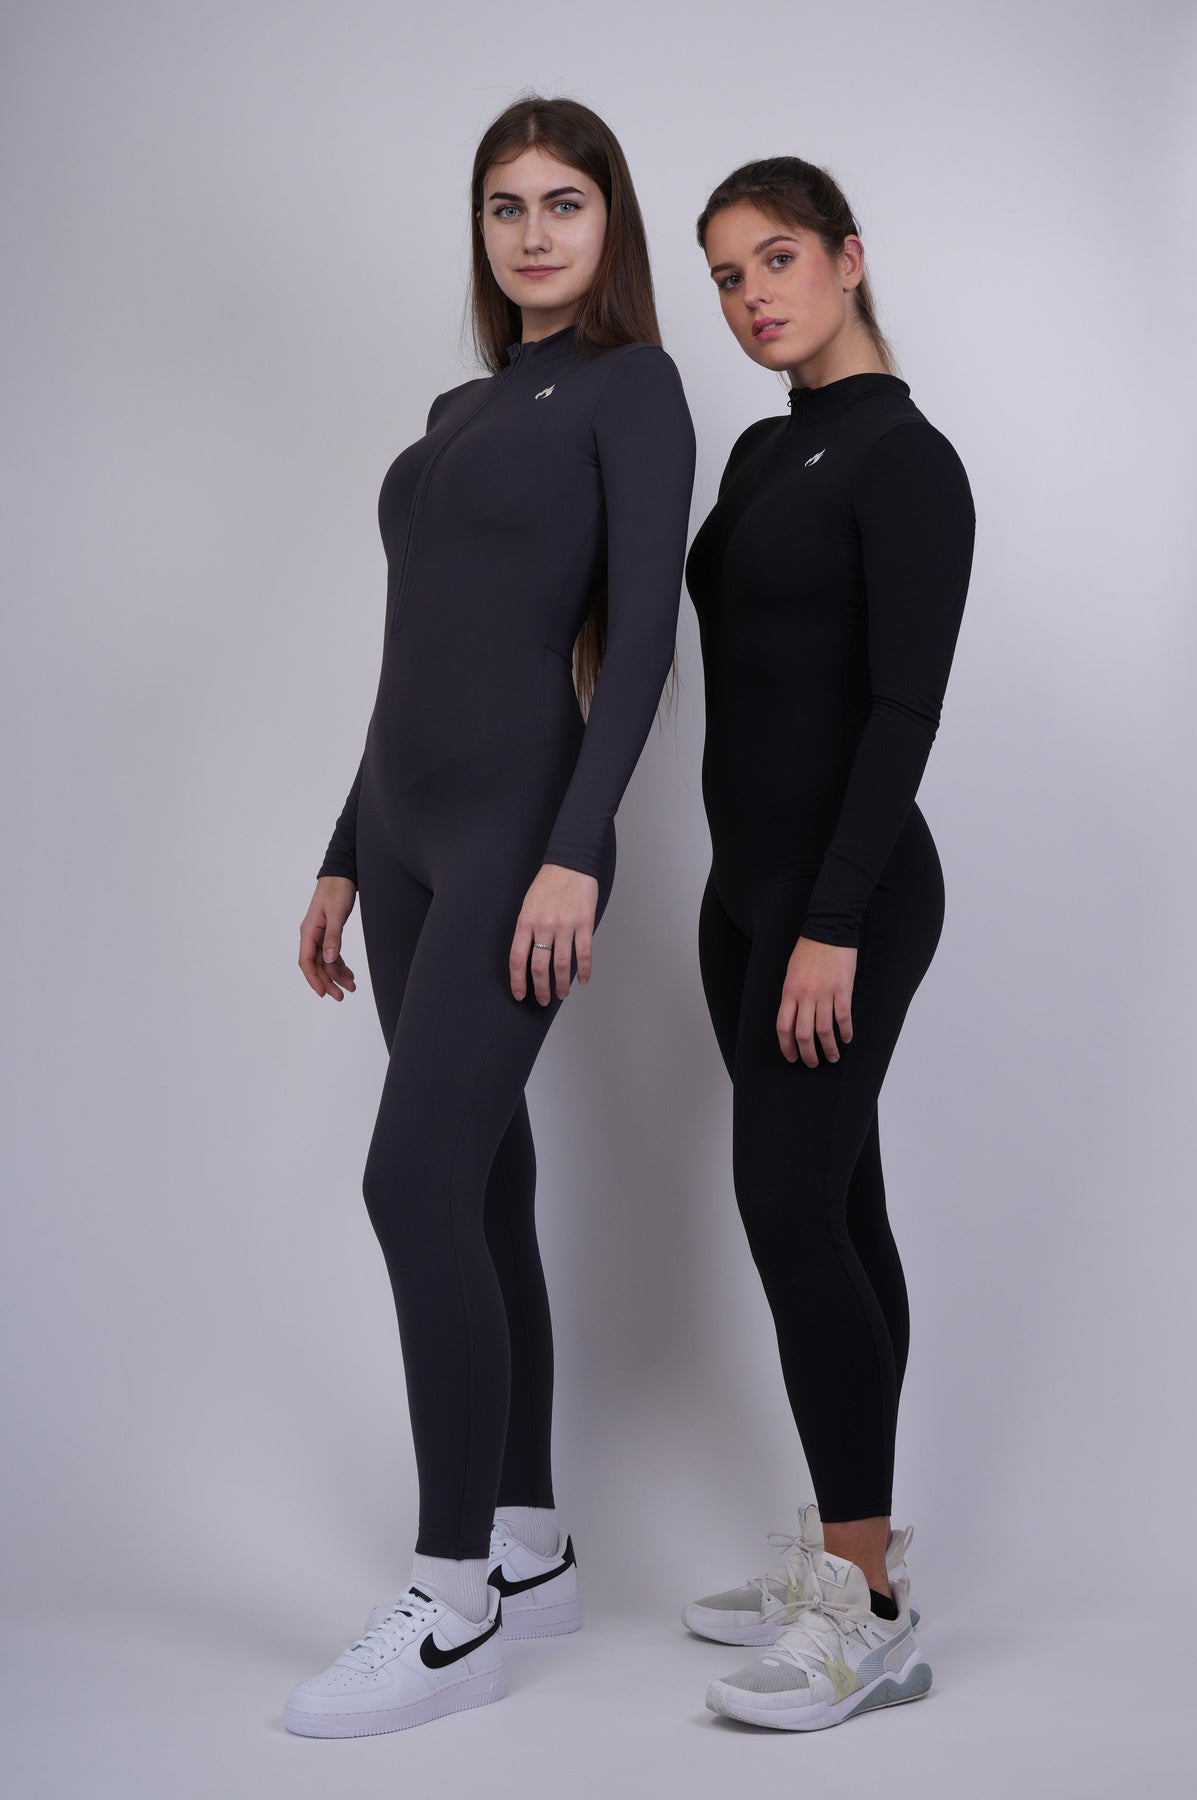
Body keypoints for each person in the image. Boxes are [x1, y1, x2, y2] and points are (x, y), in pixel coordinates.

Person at [284, 96, 696, 1739]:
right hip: (400, 833)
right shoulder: (459, 405)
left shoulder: (631, 385)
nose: (531, 232)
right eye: (505, 205)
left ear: (609, 223)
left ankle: (450, 1601)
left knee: (410, 1178)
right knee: (483, 1171)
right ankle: (528, 1536)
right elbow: (415, 645)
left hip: (523, 826)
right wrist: (341, 848)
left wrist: (579, 848)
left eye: (563, 203)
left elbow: (644, 634)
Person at [680, 156, 975, 1730]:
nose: (752, 297)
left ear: (848, 258)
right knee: (837, 1209)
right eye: (726, 276)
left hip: (842, 905)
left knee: (787, 1212)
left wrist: (832, 923)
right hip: (744, 895)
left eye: (777, 259)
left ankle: (862, 1610)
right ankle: (852, 1552)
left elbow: (902, 709)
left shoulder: (907, 461)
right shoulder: (759, 449)